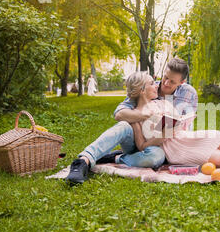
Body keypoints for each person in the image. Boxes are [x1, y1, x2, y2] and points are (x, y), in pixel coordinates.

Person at [65, 58, 198, 184]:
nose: (166, 83)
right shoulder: (148, 87)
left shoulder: (188, 93)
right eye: (165, 77)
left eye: (172, 82)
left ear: (182, 82)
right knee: (123, 125)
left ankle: (116, 158)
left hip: (163, 146)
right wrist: (143, 115)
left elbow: (185, 124)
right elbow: (120, 113)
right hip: (138, 138)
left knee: (156, 156)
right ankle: (83, 161)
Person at [127, 71, 220, 167]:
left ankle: (207, 151)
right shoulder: (135, 117)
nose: (156, 85)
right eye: (151, 83)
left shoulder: (163, 103)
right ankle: (207, 153)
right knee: (219, 159)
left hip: (184, 137)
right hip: (173, 149)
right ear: (142, 90)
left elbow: (178, 123)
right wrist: (161, 136)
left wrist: (183, 122)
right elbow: (141, 146)